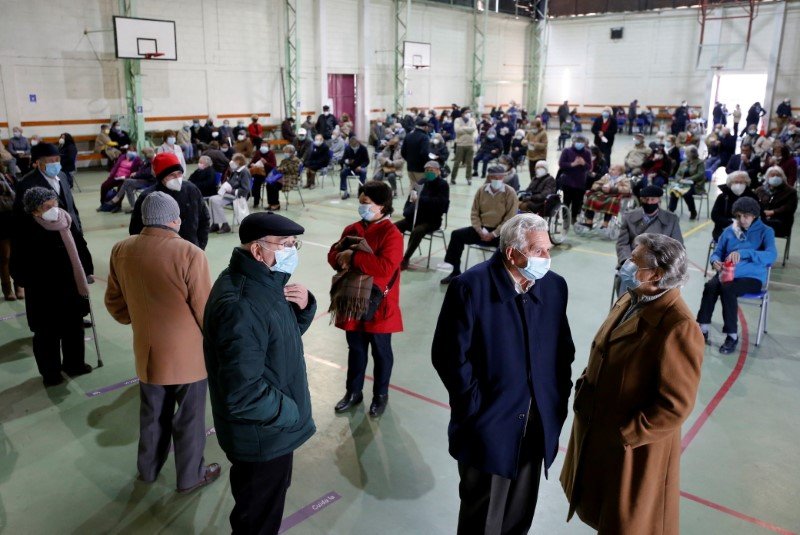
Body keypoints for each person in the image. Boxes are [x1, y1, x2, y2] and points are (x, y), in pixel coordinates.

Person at [433, 213, 574, 534]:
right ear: (512, 253)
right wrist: (475, 408)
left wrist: (556, 403)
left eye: (548, 249)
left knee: (519, 514)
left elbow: (563, 351)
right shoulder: (470, 287)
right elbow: (449, 356)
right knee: (482, 516)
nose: (547, 258)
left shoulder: (554, 287)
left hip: (536, 424)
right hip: (488, 425)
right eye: (539, 251)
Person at [561, 233, 703, 535]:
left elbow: (675, 405)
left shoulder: (678, 326)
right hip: (600, 429)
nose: (627, 264)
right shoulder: (631, 297)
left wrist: (627, 434)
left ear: (657, 274)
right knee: (600, 509)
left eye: (634, 261)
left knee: (626, 521)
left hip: (632, 448)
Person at [204, 212, 316, 535]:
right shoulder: (241, 304)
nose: (291, 252)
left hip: (272, 429)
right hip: (264, 436)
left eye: (294, 245)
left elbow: (277, 340)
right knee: (257, 521)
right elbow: (243, 393)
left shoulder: (265, 282)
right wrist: (291, 412)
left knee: (264, 508)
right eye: (284, 245)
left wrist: (304, 307)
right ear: (257, 250)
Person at [105, 192, 220, 493]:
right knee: (190, 421)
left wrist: (139, 321)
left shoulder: (121, 249)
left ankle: (148, 470)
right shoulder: (189, 253)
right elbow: (204, 309)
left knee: (153, 416)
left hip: (146, 352)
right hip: (188, 358)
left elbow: (115, 302)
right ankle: (191, 476)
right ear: (173, 219)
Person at [328, 181, 403, 417]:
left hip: (378, 303)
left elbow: (384, 267)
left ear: (382, 205)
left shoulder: (392, 234)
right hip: (353, 300)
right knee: (356, 349)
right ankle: (353, 392)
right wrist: (342, 257)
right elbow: (332, 255)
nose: (362, 208)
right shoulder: (352, 228)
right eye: (361, 203)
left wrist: (353, 256)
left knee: (381, 352)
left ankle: (380, 395)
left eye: (366, 204)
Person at [14, 187, 93, 386]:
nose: (54, 208)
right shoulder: (26, 228)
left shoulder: (66, 220)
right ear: (34, 211)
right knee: (47, 334)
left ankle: (74, 364)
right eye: (47, 206)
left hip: (70, 286)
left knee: (74, 328)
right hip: (44, 292)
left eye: (54, 203)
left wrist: (87, 268)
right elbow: (17, 264)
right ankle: (51, 373)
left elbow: (80, 245)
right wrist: (30, 281)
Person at [698, 197, 777, 353]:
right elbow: (717, 252)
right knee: (711, 286)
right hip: (727, 272)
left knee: (728, 289)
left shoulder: (766, 231)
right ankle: (702, 328)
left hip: (752, 277)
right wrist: (715, 261)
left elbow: (771, 256)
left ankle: (732, 335)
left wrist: (744, 253)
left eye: (746, 216)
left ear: (754, 215)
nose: (742, 220)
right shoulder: (729, 231)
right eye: (738, 216)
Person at [441, 165, 519, 284]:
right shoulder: (482, 191)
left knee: (508, 248)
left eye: (499, 177)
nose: (496, 179)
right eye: (493, 177)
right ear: (489, 177)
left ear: (503, 178)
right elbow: (474, 213)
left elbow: (510, 218)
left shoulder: (510, 192)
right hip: (481, 230)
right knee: (457, 235)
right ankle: (455, 271)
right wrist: (479, 230)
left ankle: (500, 279)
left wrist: (494, 233)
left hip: (500, 232)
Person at [130, 152, 210, 250]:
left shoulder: (191, 190)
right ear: (161, 177)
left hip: (191, 248)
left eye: (179, 174)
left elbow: (204, 219)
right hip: (161, 253)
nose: (177, 179)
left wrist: (200, 247)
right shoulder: (148, 197)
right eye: (172, 175)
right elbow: (136, 229)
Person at [395, 161, 450, 269]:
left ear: (438, 171)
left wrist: (422, 200)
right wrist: (407, 211)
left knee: (417, 231)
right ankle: (391, 253)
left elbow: (441, 204)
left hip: (431, 220)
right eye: (427, 170)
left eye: (431, 170)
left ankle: (405, 258)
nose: (429, 172)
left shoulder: (443, 185)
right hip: (415, 217)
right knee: (393, 228)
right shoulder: (421, 182)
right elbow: (411, 199)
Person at [100, 147, 157, 213]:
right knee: (128, 187)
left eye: (144, 154)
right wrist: (137, 173)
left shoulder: (153, 161)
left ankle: (116, 198)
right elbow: (142, 170)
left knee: (127, 181)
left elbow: (147, 173)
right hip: (143, 179)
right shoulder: (147, 160)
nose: (143, 156)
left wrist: (136, 174)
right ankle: (133, 207)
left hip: (149, 182)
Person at [579, 164, 632, 229]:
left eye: (613, 169)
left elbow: (627, 189)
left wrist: (614, 188)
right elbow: (596, 184)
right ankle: (589, 222)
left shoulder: (624, 179)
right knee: (591, 198)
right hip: (603, 194)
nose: (610, 171)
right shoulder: (606, 177)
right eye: (610, 169)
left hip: (615, 195)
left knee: (612, 202)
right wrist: (601, 187)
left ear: (619, 172)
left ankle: (605, 224)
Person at [208, 153, 251, 234]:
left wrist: (231, 191)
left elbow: (245, 189)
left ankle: (225, 225)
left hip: (238, 197)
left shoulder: (244, 172)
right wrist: (224, 186)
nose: (232, 162)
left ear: (239, 161)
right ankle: (215, 224)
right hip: (230, 194)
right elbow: (230, 182)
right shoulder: (236, 171)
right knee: (211, 198)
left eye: (234, 160)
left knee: (215, 201)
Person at [711, 171, 759, 241]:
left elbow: (758, 216)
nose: (738, 185)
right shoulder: (723, 197)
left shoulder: (753, 197)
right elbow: (715, 215)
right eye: (736, 182)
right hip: (724, 228)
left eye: (741, 182)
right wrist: (731, 222)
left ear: (746, 184)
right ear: (730, 184)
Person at [0, 162, 22, 300]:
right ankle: (7, 289)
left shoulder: (9, 177)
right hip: (0, 222)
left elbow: (19, 196)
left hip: (13, 219)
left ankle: (19, 285)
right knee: (4, 257)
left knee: (17, 255)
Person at [756, 166, 798, 238]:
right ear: (767, 177)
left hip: (780, 222)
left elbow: (790, 207)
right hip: (761, 218)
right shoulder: (760, 190)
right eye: (772, 175)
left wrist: (773, 212)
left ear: (783, 177)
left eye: (778, 175)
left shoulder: (790, 191)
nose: (775, 177)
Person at [558, 135, 592, 223]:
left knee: (577, 202)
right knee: (566, 201)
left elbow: (589, 167)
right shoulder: (567, 151)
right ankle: (565, 218)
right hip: (568, 181)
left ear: (584, 143)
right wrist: (573, 164)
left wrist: (584, 163)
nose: (579, 144)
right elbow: (561, 164)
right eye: (577, 142)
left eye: (581, 142)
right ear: (573, 142)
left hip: (580, 182)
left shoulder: (587, 153)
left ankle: (574, 217)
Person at [667, 145, 705, 219]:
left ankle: (693, 211)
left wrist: (689, 179)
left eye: (687, 153)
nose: (685, 154)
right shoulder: (683, 163)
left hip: (695, 185)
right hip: (682, 183)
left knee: (686, 194)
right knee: (674, 191)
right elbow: (677, 174)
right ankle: (671, 211)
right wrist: (679, 179)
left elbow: (700, 174)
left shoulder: (700, 162)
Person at [268, 144, 301, 211]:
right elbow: (280, 167)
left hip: (291, 178)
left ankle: (276, 204)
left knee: (274, 185)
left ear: (292, 152)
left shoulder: (296, 160)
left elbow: (291, 170)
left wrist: (280, 169)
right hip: (282, 176)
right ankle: (271, 203)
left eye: (287, 152)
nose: (285, 153)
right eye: (284, 152)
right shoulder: (285, 160)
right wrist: (279, 169)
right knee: (269, 184)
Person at [401, 117, 431, 188]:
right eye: (428, 127)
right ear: (425, 127)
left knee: (413, 189)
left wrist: (409, 160)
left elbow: (402, 152)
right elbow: (424, 153)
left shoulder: (408, 136)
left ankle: (412, 199)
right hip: (421, 169)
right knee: (422, 189)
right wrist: (427, 163)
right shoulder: (424, 137)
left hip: (410, 168)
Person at [452, 109, 477, 185]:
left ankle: (469, 178)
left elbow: (473, 129)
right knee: (457, 162)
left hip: (470, 144)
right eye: (466, 112)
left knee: (469, 163)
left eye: (469, 112)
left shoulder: (472, 120)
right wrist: (468, 130)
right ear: (462, 113)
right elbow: (457, 130)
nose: (468, 113)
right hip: (460, 144)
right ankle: (453, 178)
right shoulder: (457, 120)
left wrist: (462, 128)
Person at [249, 142, 277, 208]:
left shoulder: (271, 154)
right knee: (256, 182)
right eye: (262, 146)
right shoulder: (258, 152)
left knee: (257, 181)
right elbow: (251, 162)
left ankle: (255, 200)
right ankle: (256, 202)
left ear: (268, 147)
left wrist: (265, 163)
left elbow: (273, 166)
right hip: (257, 172)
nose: (263, 147)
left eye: (265, 146)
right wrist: (252, 164)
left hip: (268, 173)